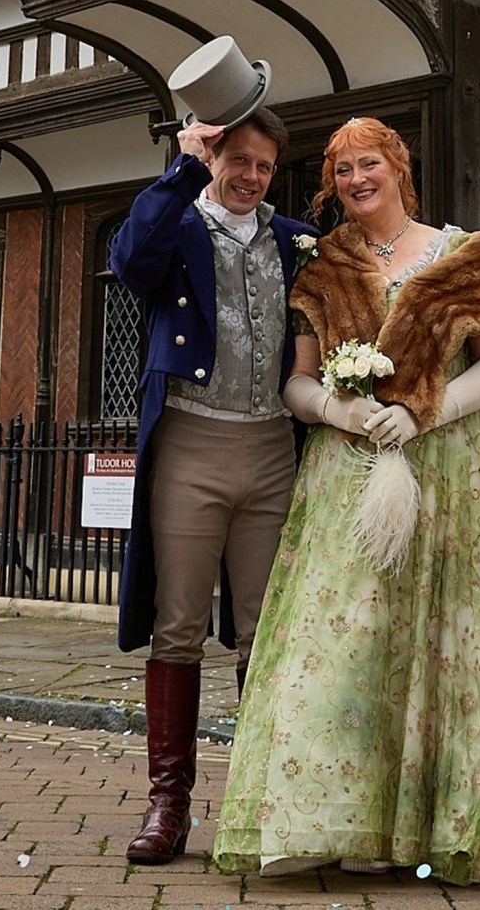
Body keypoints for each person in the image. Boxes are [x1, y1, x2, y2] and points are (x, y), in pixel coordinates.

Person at [212, 116, 480, 887]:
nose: (355, 179)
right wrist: (338, 411)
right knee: (336, 644)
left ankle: (419, 823)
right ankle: (314, 816)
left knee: (426, 643)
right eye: (341, 169)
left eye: (367, 163)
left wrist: (427, 409)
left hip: (441, 472)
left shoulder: (464, 254)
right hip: (345, 474)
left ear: (398, 166)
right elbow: (297, 379)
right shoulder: (324, 266)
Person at [111, 107, 319, 864]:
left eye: (264, 166)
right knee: (179, 624)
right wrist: (183, 167)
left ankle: (263, 796)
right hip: (191, 444)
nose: (251, 177)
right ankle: (168, 805)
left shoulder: (296, 239)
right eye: (238, 161)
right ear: (212, 155)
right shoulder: (178, 223)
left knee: (266, 629)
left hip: (271, 447)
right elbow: (130, 259)